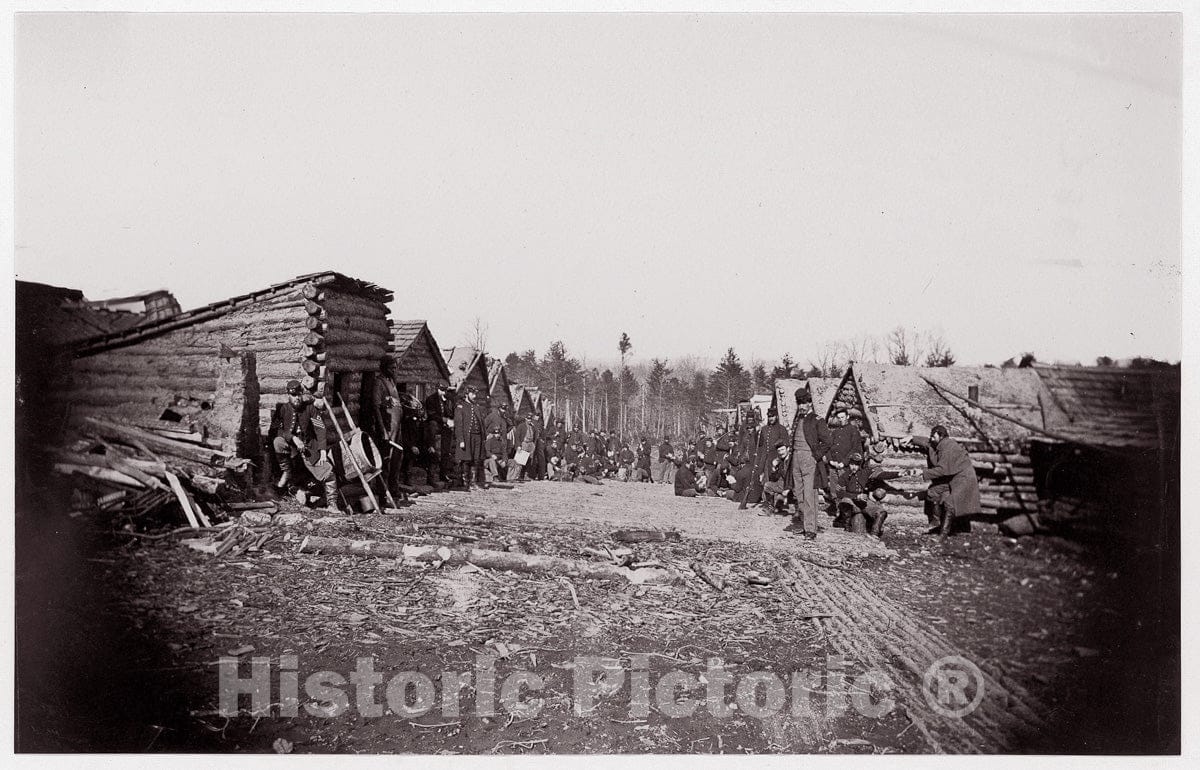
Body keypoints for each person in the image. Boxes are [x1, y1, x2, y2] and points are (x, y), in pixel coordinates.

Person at [268, 380, 338, 511]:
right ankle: (286, 472)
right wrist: (293, 438)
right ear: (288, 395)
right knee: (278, 441)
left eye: (299, 395)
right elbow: (275, 430)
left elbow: (320, 428)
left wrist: (322, 450)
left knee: (329, 473)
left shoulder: (310, 408)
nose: (297, 398)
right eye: (294, 396)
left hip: (310, 449)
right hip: (291, 449)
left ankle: (332, 504)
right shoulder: (282, 409)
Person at [904, 425, 981, 537]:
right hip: (952, 477)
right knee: (932, 492)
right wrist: (912, 438)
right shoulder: (940, 444)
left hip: (963, 478)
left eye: (933, 435)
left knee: (950, 503)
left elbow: (943, 470)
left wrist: (923, 472)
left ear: (940, 435)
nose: (931, 438)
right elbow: (928, 443)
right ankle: (937, 524)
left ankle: (943, 535)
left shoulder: (949, 447)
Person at [789, 388, 831, 539]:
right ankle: (804, 523)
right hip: (796, 459)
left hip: (809, 460)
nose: (801, 406)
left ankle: (811, 530)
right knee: (798, 494)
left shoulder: (817, 420)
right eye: (799, 404)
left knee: (809, 495)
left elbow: (827, 441)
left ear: (810, 404)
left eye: (804, 403)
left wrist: (816, 456)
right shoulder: (797, 420)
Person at [834, 452, 905, 537]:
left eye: (856, 465)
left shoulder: (865, 473)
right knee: (845, 503)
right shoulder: (844, 476)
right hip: (850, 501)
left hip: (863, 502)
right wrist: (855, 496)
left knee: (881, 513)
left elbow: (882, 474)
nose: (854, 467)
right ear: (849, 463)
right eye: (852, 464)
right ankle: (846, 530)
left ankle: (874, 535)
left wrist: (899, 474)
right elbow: (839, 492)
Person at [370, 357, 404, 500]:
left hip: (397, 428)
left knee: (397, 457)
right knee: (387, 459)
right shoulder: (380, 383)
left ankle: (394, 488)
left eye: (395, 368)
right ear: (384, 368)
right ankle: (383, 492)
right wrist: (383, 429)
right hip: (387, 429)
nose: (394, 370)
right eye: (391, 368)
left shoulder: (392, 382)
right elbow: (376, 407)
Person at [825, 407, 865, 507]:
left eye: (842, 417)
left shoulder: (853, 430)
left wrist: (844, 462)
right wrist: (830, 461)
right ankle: (838, 510)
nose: (841, 420)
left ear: (847, 417)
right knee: (835, 490)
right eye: (839, 418)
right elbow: (828, 447)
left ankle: (847, 512)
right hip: (834, 466)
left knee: (845, 490)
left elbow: (855, 449)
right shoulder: (835, 432)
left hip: (845, 467)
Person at [752, 408, 789, 505]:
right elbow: (759, 444)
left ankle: (777, 503)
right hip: (766, 459)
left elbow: (786, 444)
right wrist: (757, 433)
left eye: (772, 416)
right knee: (765, 480)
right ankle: (767, 502)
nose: (771, 418)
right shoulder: (764, 429)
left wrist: (780, 459)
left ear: (776, 416)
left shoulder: (781, 429)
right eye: (769, 416)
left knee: (776, 480)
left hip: (777, 459)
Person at [454, 386, 488, 490]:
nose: (475, 396)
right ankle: (466, 483)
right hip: (467, 437)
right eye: (472, 394)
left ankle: (473, 483)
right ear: (466, 394)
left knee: (476, 459)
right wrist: (461, 440)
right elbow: (459, 425)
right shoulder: (461, 407)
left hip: (477, 436)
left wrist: (483, 437)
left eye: (475, 393)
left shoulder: (476, 407)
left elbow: (481, 422)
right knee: (466, 460)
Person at [760, 442, 792, 513]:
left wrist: (788, 489)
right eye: (779, 451)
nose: (781, 452)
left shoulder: (792, 460)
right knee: (767, 485)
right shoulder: (781, 460)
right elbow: (775, 477)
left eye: (783, 449)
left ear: (788, 449)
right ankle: (772, 506)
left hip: (792, 485)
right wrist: (774, 468)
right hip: (783, 484)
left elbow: (793, 476)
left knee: (768, 486)